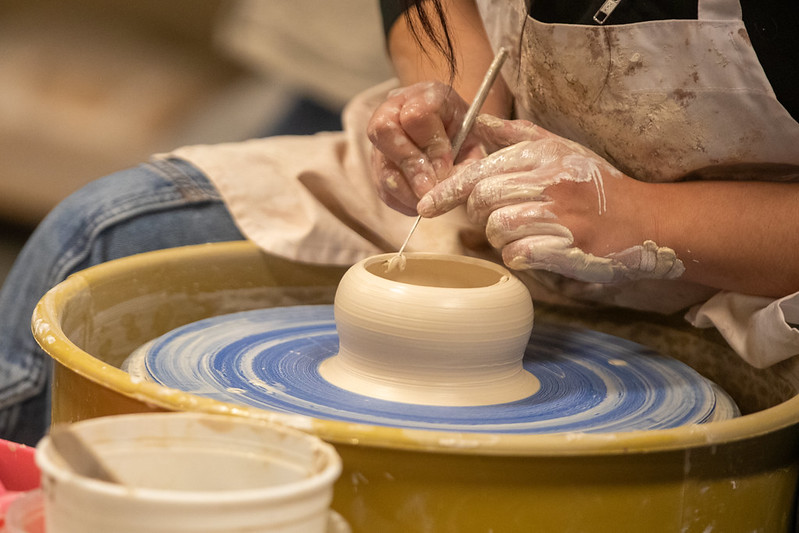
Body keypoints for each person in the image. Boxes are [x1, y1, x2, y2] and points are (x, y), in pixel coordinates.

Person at [1, 0, 798, 446]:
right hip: (491, 191)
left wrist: (641, 216)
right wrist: (450, 109)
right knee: (100, 235)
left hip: (754, 269)